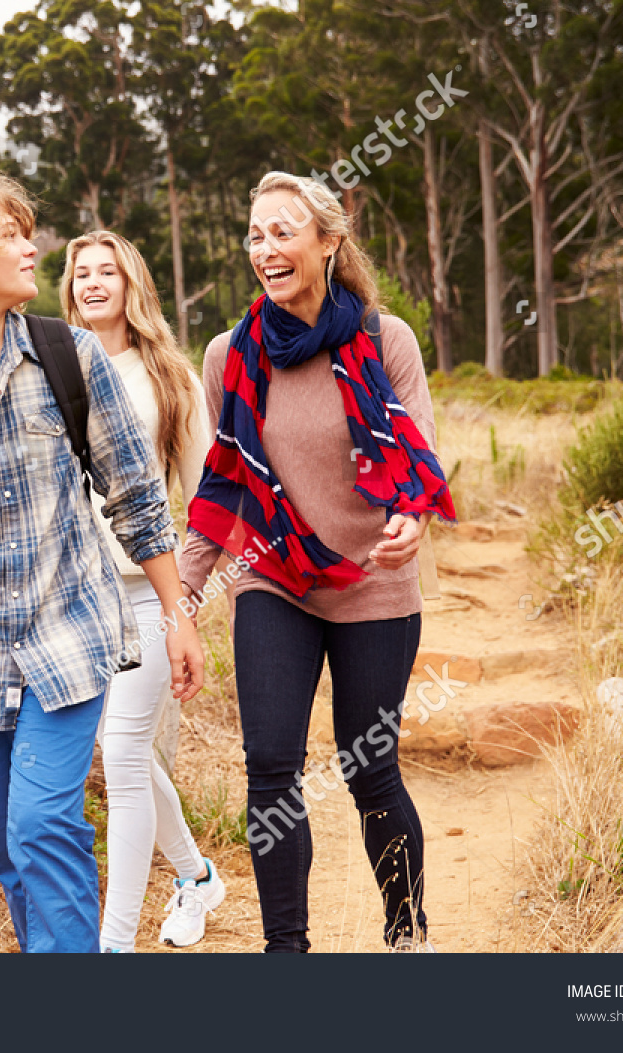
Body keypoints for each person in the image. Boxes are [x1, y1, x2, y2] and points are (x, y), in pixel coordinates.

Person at [0, 170, 206, 953]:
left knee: (43, 820)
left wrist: (178, 617)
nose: (33, 247)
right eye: (11, 235)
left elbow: (137, 499)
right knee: (9, 847)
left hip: (72, 630)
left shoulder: (70, 357)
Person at [178, 171, 456, 954]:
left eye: (283, 232)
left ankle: (407, 933)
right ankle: (286, 952)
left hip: (374, 583)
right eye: (255, 235)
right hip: (273, 578)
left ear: (328, 242)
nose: (266, 249)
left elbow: (419, 456)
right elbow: (223, 484)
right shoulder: (229, 354)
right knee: (269, 764)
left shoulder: (385, 339)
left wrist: (410, 518)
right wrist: (182, 603)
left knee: (369, 769)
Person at [60, 230, 223, 951]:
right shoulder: (49, 365)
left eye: (107, 271)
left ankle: (113, 944)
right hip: (70, 599)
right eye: (81, 273)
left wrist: (181, 600)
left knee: (124, 755)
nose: (94, 282)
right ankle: (195, 874)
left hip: (147, 594)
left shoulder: (170, 377)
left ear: (131, 284)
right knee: (118, 750)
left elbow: (210, 495)